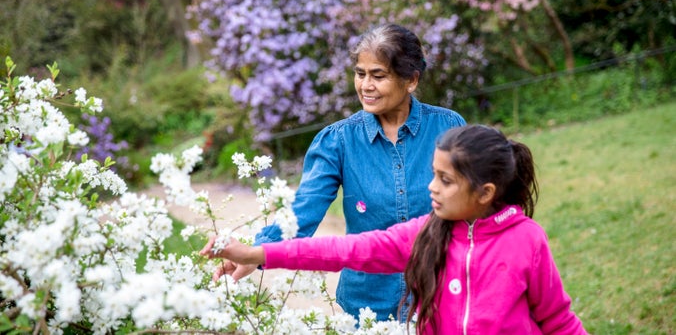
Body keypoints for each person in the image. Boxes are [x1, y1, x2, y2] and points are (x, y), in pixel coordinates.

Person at [201, 125, 588, 334]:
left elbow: (558, 320)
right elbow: (345, 251)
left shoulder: (526, 240)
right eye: (433, 175)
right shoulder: (425, 234)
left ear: (485, 192)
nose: (431, 188)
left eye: (445, 180)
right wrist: (258, 254)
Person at [217, 23, 466, 321]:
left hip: (441, 298)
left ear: (411, 80)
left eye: (378, 75)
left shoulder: (448, 128)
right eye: (360, 74)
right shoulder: (337, 141)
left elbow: (473, 207)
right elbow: (302, 211)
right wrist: (256, 254)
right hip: (367, 306)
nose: (365, 86)